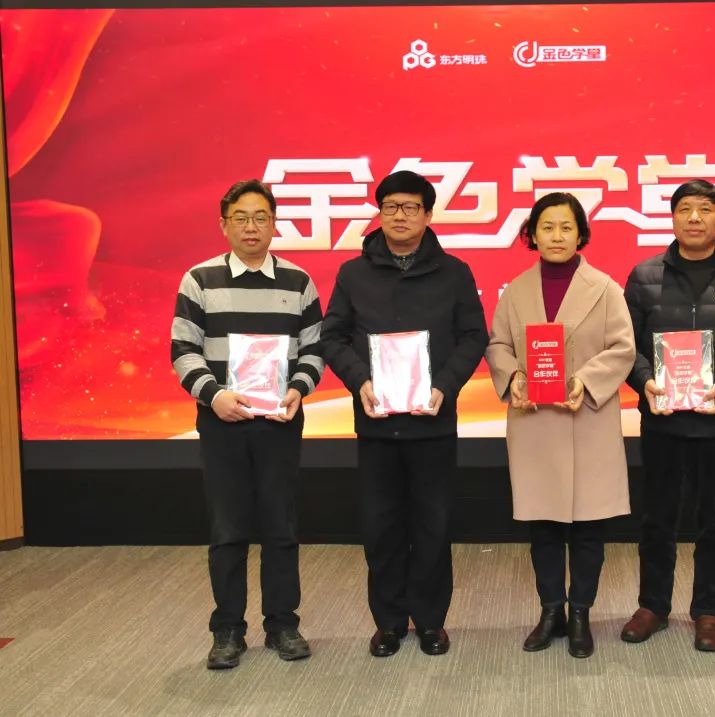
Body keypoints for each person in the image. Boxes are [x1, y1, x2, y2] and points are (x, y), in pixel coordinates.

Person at [320, 170, 488, 658]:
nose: (400, 215)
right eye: (391, 206)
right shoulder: (354, 273)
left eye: (411, 207)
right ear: (379, 213)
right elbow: (333, 336)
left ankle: (431, 621)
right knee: (381, 528)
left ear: (428, 215)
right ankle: (389, 622)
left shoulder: (454, 272)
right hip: (377, 424)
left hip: (432, 422)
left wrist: (444, 386)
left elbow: (473, 336)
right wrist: (360, 380)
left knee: (433, 526)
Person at [171, 179, 325, 670]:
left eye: (261, 217)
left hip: (280, 421)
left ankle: (282, 624)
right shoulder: (199, 280)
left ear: (275, 224)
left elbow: (315, 349)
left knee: (281, 526)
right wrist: (214, 396)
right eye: (241, 217)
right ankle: (228, 630)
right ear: (224, 224)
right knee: (228, 528)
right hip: (222, 422)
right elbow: (183, 350)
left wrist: (298, 388)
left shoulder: (298, 282)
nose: (251, 226)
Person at [621, 179, 715, 651]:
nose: (694, 218)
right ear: (672, 217)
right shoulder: (644, 275)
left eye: (705, 209)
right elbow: (624, 344)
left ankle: (709, 611)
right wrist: (645, 380)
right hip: (662, 418)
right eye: (685, 209)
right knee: (657, 519)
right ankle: (652, 606)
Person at [486, 193, 635, 658]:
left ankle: (580, 614)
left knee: (589, 527)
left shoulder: (605, 288)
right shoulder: (515, 291)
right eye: (547, 227)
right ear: (532, 234)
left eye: (566, 227)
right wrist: (513, 376)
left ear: (580, 234)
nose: (556, 236)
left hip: (587, 417)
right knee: (543, 524)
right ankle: (550, 610)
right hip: (535, 421)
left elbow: (623, 348)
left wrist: (585, 380)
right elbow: (498, 345)